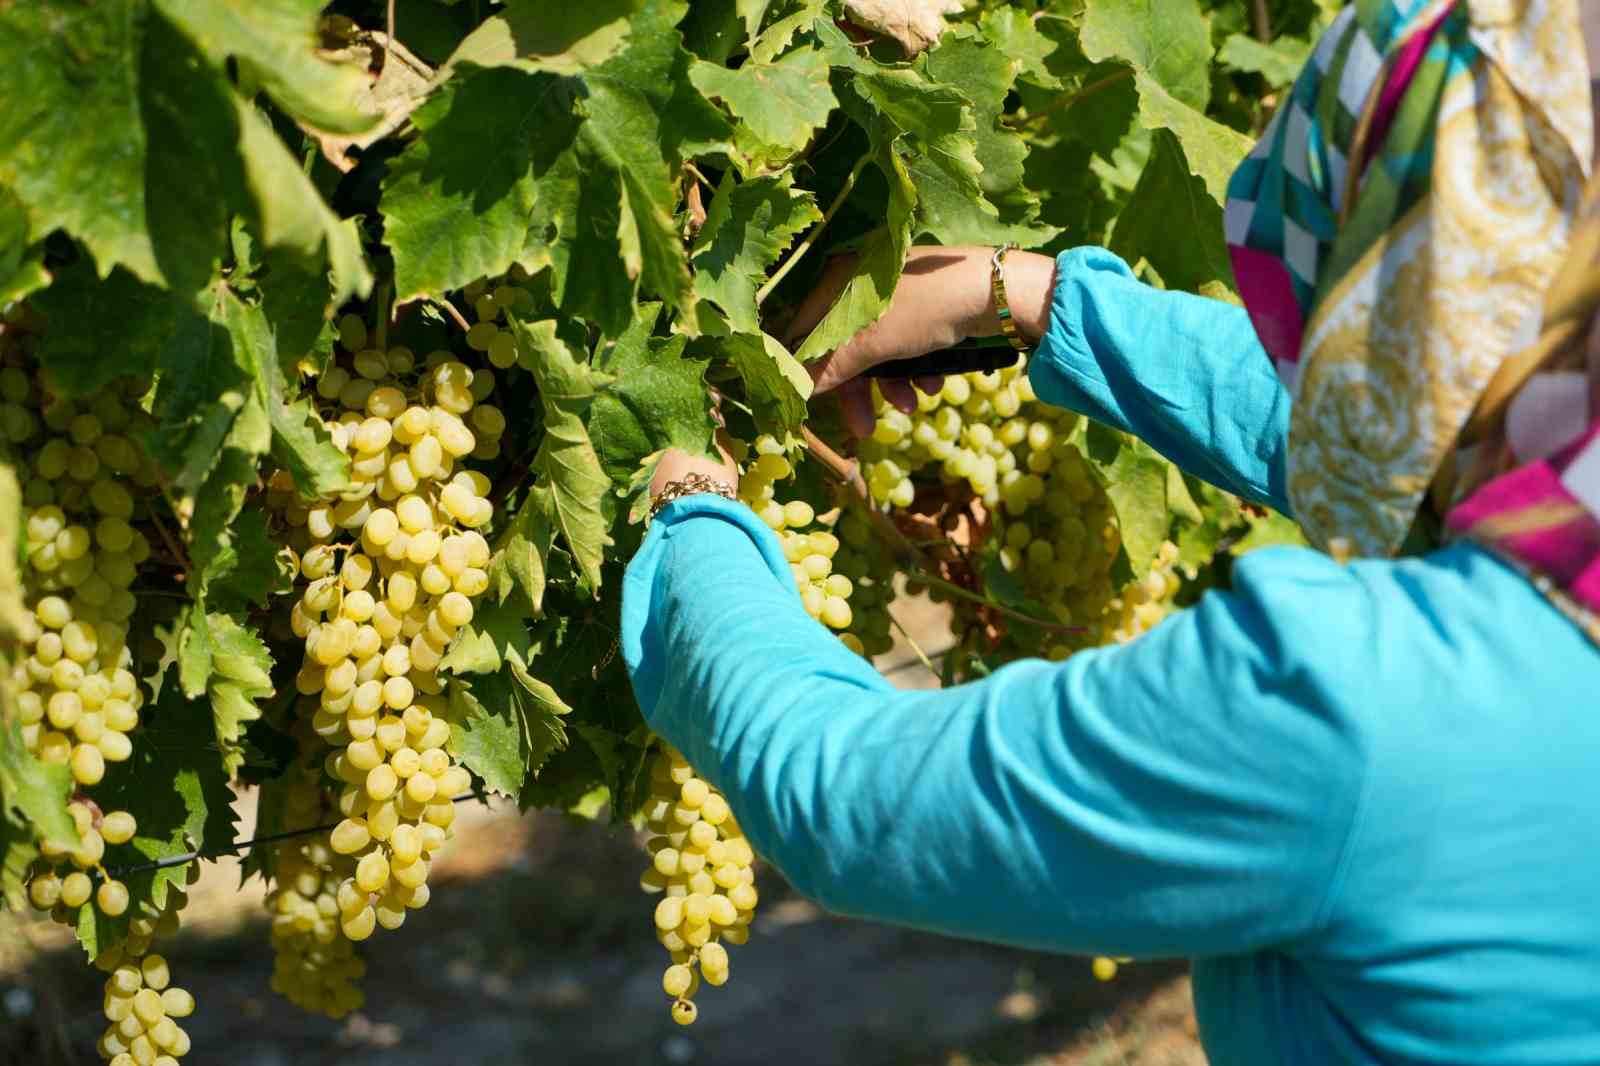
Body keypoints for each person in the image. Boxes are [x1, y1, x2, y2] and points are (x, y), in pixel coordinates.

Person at [625, 1, 1600, 1061]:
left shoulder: (1356, 716)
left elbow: (844, 796)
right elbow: (1396, 451)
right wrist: (1036, 298)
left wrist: (692, 518)